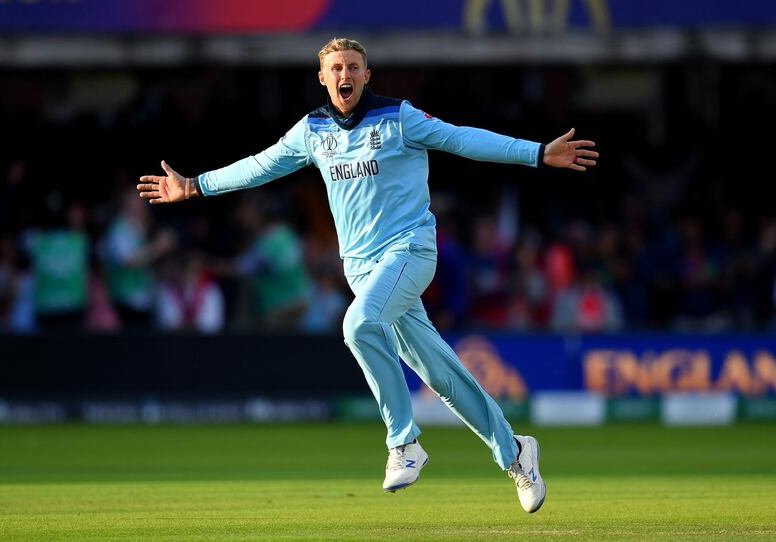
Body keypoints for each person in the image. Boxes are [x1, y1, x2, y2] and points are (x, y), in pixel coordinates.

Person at [137, 37, 598, 513]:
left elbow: (462, 138)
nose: (344, 75)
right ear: (322, 77)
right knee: (441, 373)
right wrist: (194, 186)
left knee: (357, 326)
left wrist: (537, 153)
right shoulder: (312, 131)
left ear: (366, 75)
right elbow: (260, 166)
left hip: (410, 251)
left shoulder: (400, 117)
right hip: (362, 270)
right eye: (335, 68)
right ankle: (516, 452)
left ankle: (404, 442)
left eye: (353, 67)